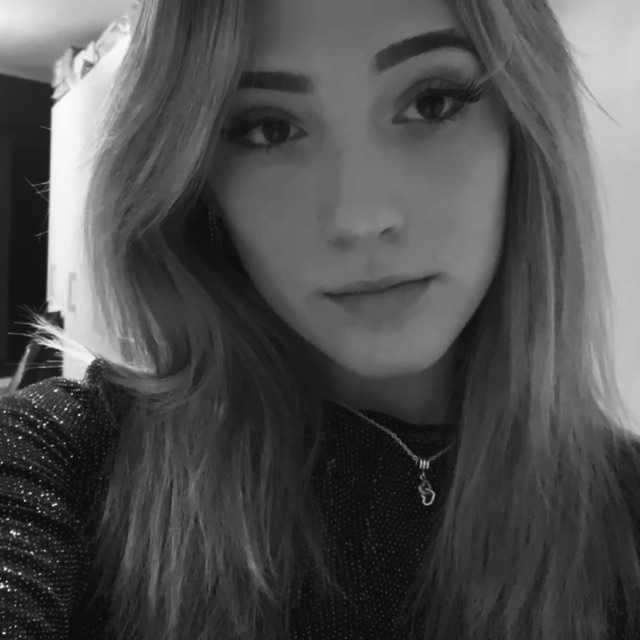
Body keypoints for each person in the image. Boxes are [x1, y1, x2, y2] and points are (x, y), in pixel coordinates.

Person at [1, 0, 640, 638]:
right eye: (270, 129)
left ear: (526, 130)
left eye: (433, 102)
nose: (359, 217)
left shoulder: (624, 506)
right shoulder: (65, 458)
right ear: (196, 181)